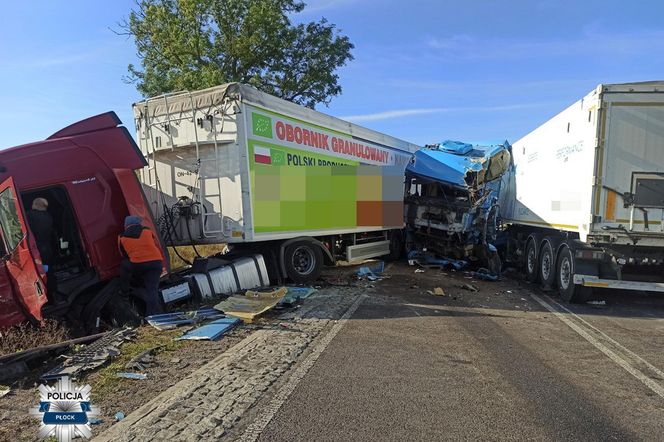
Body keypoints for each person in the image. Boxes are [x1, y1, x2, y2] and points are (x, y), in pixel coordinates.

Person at [118, 215, 165, 316]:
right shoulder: (147, 231)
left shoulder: (121, 237)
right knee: (152, 289)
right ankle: (152, 314)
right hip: (155, 263)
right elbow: (156, 244)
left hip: (138, 265)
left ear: (126, 225)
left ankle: (124, 293)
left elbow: (123, 254)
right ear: (138, 223)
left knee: (124, 265)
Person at [26, 198, 55, 265]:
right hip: (47, 246)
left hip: (37, 246)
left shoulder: (29, 215)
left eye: (33, 204)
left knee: (42, 267)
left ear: (36, 205)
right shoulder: (48, 216)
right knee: (47, 265)